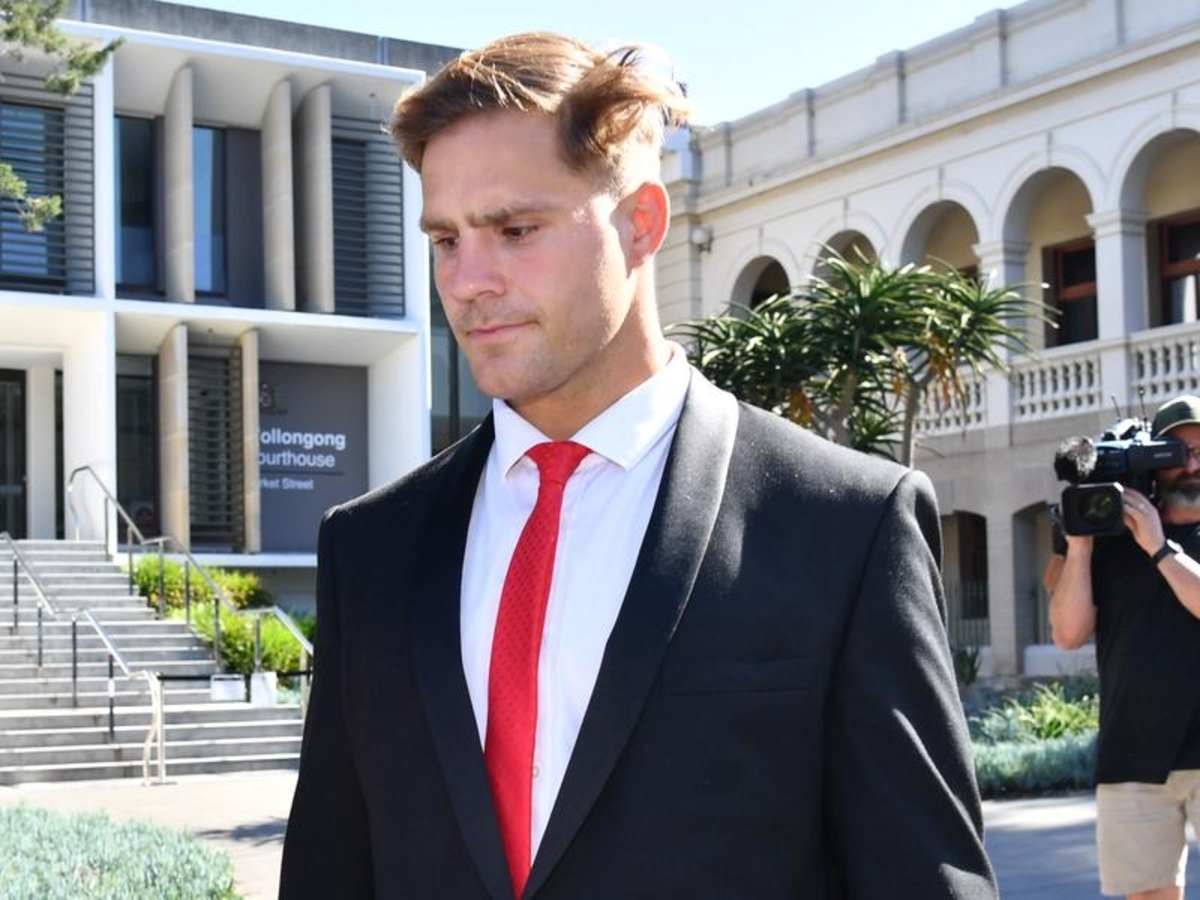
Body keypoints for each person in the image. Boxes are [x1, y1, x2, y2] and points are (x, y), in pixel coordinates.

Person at [279, 31, 995, 899]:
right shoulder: (370, 549)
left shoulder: (845, 528)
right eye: (446, 240)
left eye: (514, 230)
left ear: (641, 223)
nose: (467, 282)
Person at [1050, 394, 1200, 900]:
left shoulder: (1150, 537)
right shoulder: (1112, 532)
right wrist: (1079, 545)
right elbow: (1067, 633)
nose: (1190, 466)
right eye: (1178, 453)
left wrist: (1158, 547)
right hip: (1132, 756)